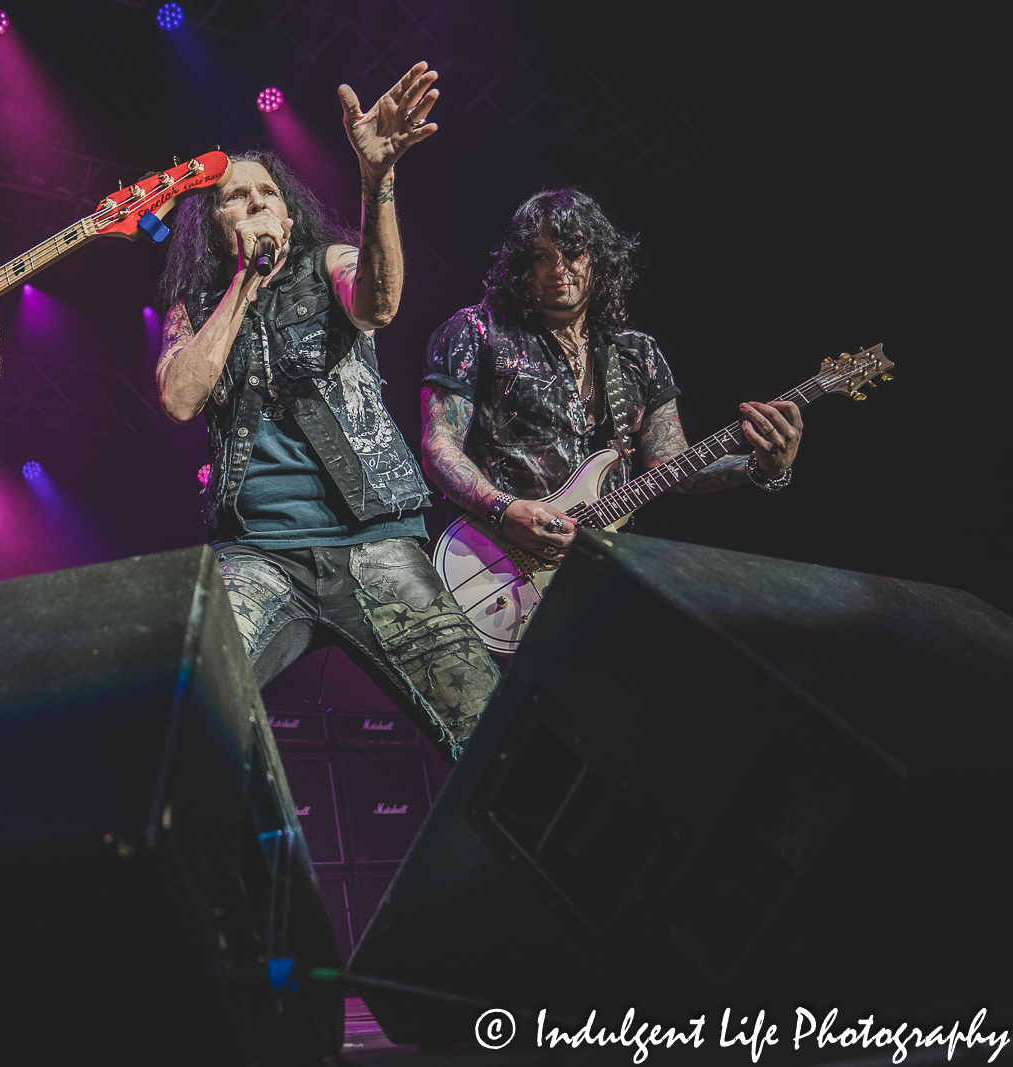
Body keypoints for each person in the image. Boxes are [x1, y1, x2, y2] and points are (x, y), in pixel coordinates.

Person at [156, 63, 498, 760]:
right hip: (257, 554)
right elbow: (180, 396)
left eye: (265, 195)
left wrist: (377, 182)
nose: (254, 206)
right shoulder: (195, 309)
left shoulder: (331, 261)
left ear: (288, 214)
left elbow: (379, 301)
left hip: (375, 542)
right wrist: (244, 287)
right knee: (175, 710)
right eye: (235, 199)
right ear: (211, 221)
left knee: (490, 735)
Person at [421, 188, 803, 565]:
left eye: (573, 253)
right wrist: (504, 509)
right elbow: (439, 446)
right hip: (495, 560)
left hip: (600, 563)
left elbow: (673, 466)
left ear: (598, 259)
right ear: (523, 268)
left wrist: (761, 467)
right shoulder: (477, 331)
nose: (558, 270)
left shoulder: (639, 354)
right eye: (541, 256)